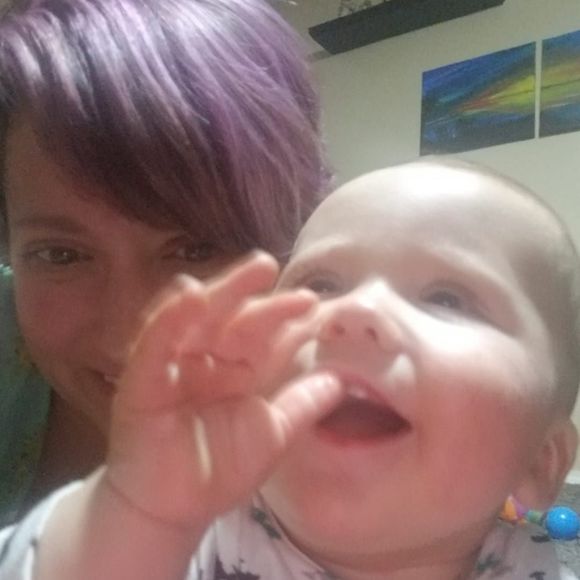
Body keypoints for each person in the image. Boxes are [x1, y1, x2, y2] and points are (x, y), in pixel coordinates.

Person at [2, 158, 580, 579]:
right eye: (320, 284)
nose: (354, 311)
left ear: (540, 459)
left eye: (446, 299)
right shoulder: (188, 535)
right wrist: (135, 508)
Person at [0, 0, 331, 526]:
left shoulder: (366, 433)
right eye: (61, 255)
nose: (129, 336)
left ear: (300, 229)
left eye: (198, 249)